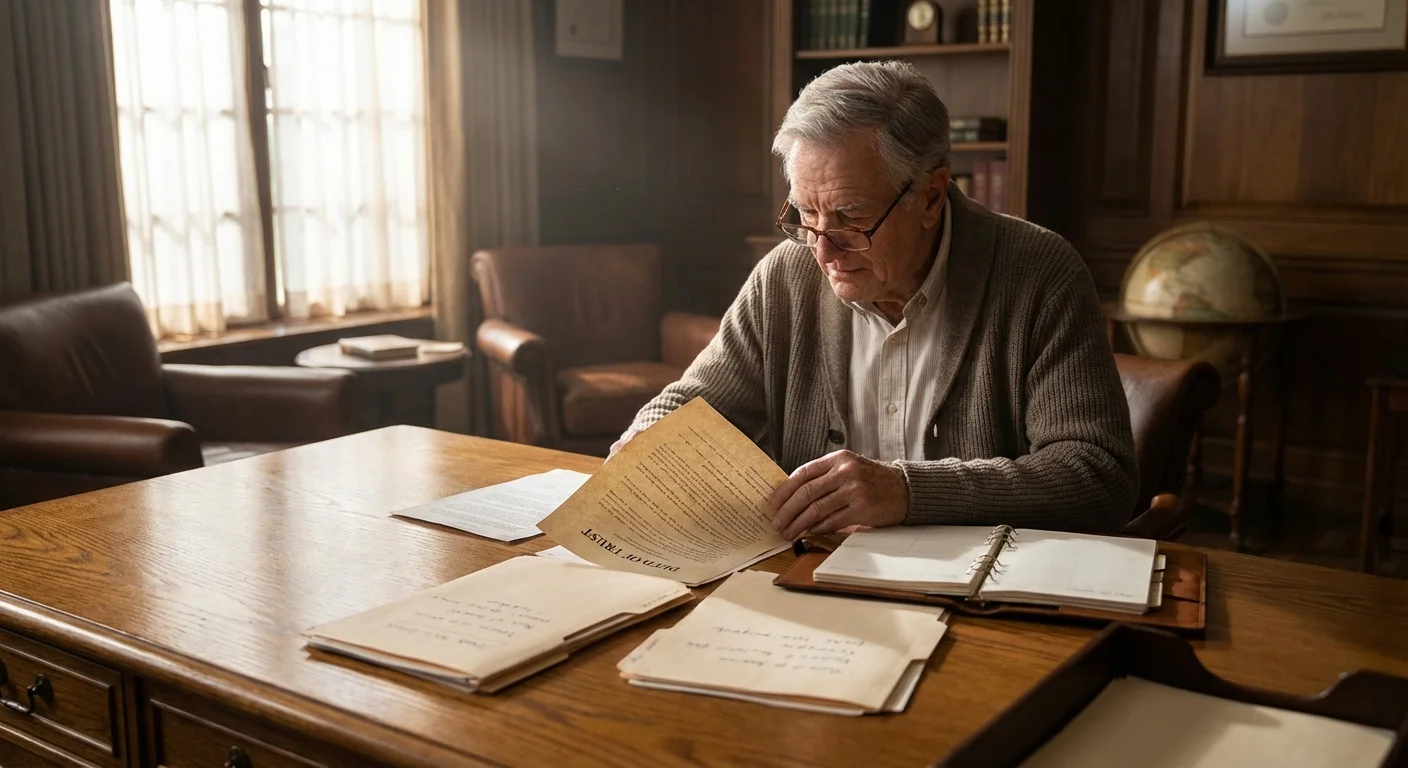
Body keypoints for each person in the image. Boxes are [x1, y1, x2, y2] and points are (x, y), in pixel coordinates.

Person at [612, 60, 1138, 541]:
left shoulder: (1038, 273)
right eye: (805, 215)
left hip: (978, 602)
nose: (823, 248)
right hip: (814, 586)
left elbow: (1098, 476)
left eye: (849, 217)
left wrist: (907, 492)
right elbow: (696, 405)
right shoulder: (787, 276)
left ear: (930, 196)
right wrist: (641, 445)